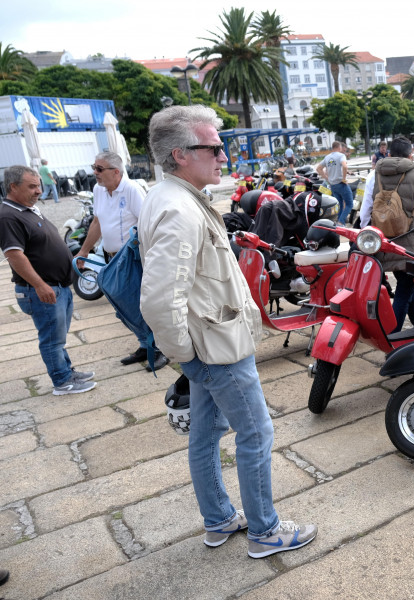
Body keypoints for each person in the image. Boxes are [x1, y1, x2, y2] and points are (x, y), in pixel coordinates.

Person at [138, 105, 316, 559]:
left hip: (208, 343)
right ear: (179, 154)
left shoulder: (174, 197)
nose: (224, 156)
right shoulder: (180, 209)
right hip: (215, 349)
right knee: (256, 434)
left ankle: (218, 519)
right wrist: (188, 355)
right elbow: (159, 300)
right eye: (214, 147)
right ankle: (265, 531)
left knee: (205, 433)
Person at [0, 166, 96, 395]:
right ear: (13, 187)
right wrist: (40, 285)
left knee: (58, 337)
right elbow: (14, 255)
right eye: (32, 186)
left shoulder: (27, 209)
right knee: (51, 339)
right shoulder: (8, 215)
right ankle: (62, 382)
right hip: (42, 290)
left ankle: (66, 371)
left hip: (58, 285)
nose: (38, 191)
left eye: (39, 185)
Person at [75, 152, 168, 371]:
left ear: (116, 172)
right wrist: (84, 250)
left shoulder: (132, 190)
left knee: (142, 305)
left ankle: (160, 348)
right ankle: (145, 345)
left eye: (99, 169)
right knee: (124, 307)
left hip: (132, 258)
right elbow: (97, 221)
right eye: (94, 167)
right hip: (112, 256)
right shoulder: (98, 190)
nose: (94, 173)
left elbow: (149, 223)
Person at [360, 136, 414, 332]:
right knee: (405, 287)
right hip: (410, 240)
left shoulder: (373, 175)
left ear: (388, 153)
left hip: (383, 240)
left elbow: (365, 212)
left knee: (405, 281)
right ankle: (392, 336)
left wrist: (366, 237)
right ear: (410, 155)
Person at [316, 141, 352, 225]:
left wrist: (326, 178)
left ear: (333, 148)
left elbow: (318, 168)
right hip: (341, 184)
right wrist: (344, 178)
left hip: (333, 185)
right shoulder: (341, 155)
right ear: (339, 147)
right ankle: (341, 222)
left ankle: (338, 224)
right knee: (349, 204)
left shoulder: (327, 157)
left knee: (339, 205)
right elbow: (345, 166)